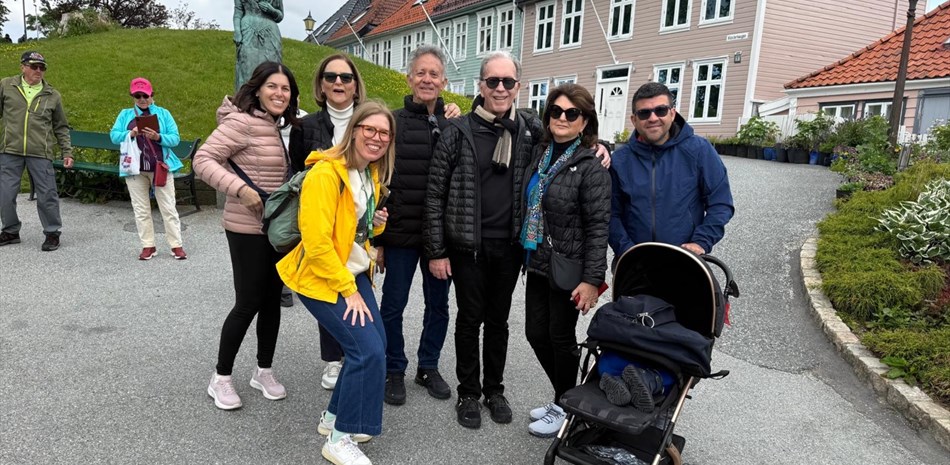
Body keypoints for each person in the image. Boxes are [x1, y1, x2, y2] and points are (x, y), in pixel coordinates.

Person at [425, 51, 542, 429]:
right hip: (467, 247)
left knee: (498, 321)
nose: (500, 88)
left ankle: (494, 390)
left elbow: (570, 136)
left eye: (507, 82)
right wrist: (437, 251)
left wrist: (600, 146)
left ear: (518, 87)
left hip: (509, 246)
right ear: (481, 85)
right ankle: (469, 393)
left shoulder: (529, 130)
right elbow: (435, 194)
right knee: (469, 319)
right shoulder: (457, 131)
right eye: (493, 81)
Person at [277, 101, 395, 465]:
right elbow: (316, 243)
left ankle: (333, 418)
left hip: (351, 271)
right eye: (370, 129)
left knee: (376, 345)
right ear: (354, 131)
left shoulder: (369, 173)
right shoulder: (326, 174)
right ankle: (340, 439)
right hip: (321, 275)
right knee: (366, 351)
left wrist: (374, 224)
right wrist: (348, 290)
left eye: (384, 133)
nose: (377, 138)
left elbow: (355, 232)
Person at [194, 61, 300, 410]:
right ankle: (221, 377)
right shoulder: (240, 122)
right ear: (257, 89)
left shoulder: (276, 126)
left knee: (272, 300)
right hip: (245, 227)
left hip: (273, 227)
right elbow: (203, 160)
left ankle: (263, 370)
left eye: (285, 88)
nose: (279, 93)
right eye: (272, 86)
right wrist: (240, 189)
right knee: (248, 301)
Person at [520, 84, 610, 437]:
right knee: (535, 333)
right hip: (538, 260)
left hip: (569, 266)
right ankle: (565, 397)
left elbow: (599, 227)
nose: (562, 118)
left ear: (584, 121)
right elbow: (517, 114)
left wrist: (592, 280)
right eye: (556, 111)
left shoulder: (591, 167)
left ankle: (564, 405)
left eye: (572, 113)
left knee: (559, 337)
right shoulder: (540, 154)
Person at [376, 45, 460, 406]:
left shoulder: (454, 126)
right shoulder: (392, 123)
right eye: (420, 73)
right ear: (409, 79)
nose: (427, 79)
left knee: (438, 305)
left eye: (434, 74)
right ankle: (393, 367)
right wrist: (377, 240)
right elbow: (378, 180)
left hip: (439, 238)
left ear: (444, 82)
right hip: (399, 234)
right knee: (392, 305)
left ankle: (428, 365)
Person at [287, 53, 367, 391]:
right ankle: (333, 359)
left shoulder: (365, 121)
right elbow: (296, 173)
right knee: (329, 289)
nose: (338, 83)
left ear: (355, 86)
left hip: (358, 223)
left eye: (346, 77)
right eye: (331, 77)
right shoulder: (305, 127)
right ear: (320, 85)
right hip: (323, 224)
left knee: (358, 287)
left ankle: (355, 352)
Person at [608, 82, 734, 259]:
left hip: (683, 259)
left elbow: (720, 202)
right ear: (634, 120)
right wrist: (626, 249)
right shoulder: (620, 160)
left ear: (672, 113)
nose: (653, 118)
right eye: (644, 113)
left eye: (661, 110)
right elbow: (610, 213)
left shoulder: (699, 150)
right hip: (634, 261)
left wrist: (701, 241)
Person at [0, 51, 73, 252]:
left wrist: (67, 152)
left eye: (42, 67)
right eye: (34, 66)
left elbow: (61, 127)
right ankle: (10, 231)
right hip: (10, 150)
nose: (38, 71)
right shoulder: (6, 85)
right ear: (23, 67)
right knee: (5, 194)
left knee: (47, 194)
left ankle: (52, 233)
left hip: (40, 152)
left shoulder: (52, 95)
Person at [109, 77, 187, 260]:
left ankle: (176, 245)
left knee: (168, 207)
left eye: (145, 95)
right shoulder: (125, 115)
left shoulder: (163, 114)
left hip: (160, 167)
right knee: (141, 209)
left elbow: (175, 138)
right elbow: (114, 136)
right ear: (133, 97)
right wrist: (131, 133)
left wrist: (158, 137)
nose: (142, 99)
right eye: (138, 96)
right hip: (134, 169)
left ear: (152, 95)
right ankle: (148, 245)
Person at [233, 0, 283, 91]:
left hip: (270, 31)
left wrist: (271, 10)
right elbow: (238, 12)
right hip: (247, 29)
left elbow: (280, 16)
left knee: (272, 67)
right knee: (246, 65)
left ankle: (271, 95)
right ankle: (245, 97)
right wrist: (237, 31)